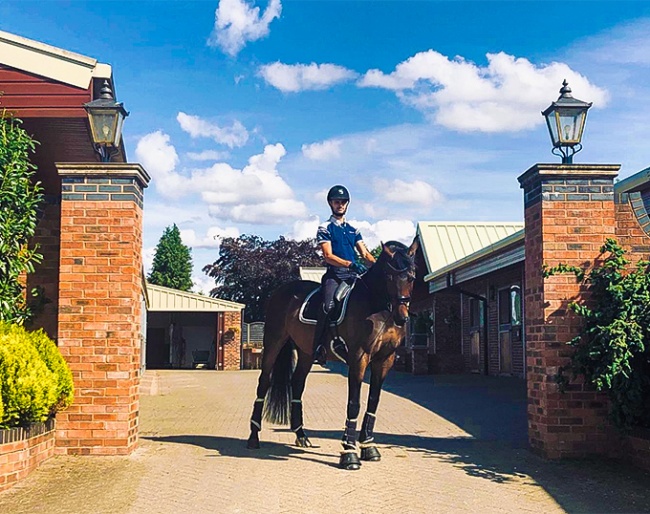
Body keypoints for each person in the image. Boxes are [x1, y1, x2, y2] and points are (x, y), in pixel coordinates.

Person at [313, 185, 376, 366]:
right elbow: (328, 256)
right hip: (335, 275)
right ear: (331, 204)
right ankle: (320, 347)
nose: (340, 205)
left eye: (343, 202)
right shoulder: (325, 227)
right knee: (328, 305)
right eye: (336, 202)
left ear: (347, 205)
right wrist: (350, 264)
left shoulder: (353, 229)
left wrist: (377, 266)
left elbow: (365, 254)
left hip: (353, 276)